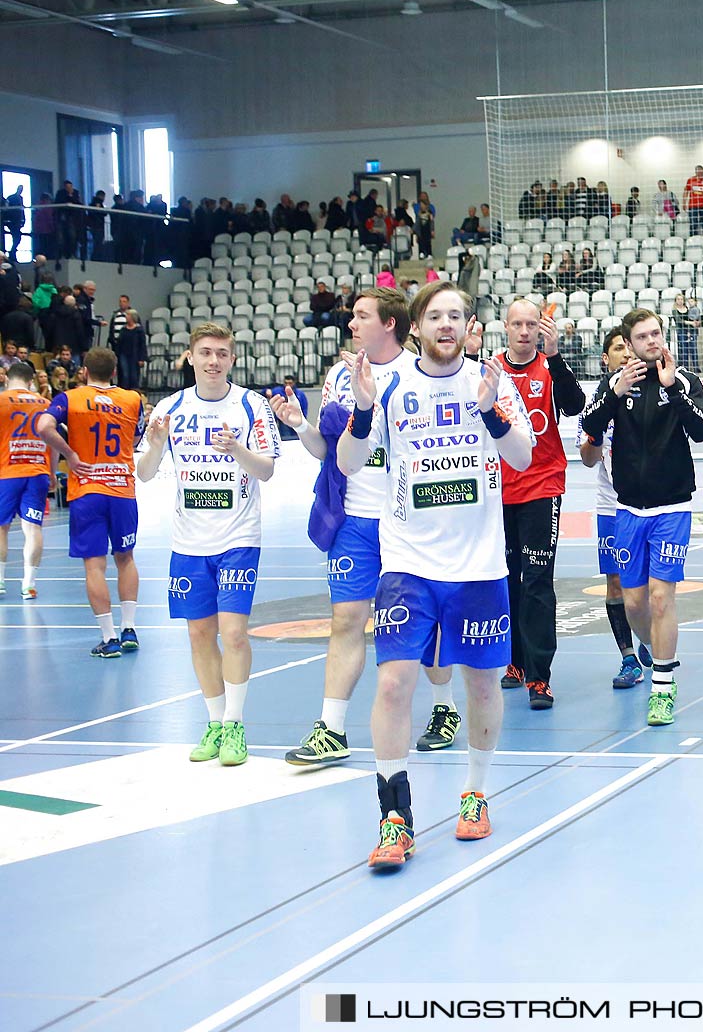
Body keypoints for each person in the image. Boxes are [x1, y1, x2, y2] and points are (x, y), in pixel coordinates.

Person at [340, 281, 535, 872]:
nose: (446, 324)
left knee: (481, 685)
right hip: (408, 563)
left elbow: (524, 457)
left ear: (469, 326)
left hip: (478, 566)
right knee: (396, 684)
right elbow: (347, 462)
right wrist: (365, 409)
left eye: (457, 315)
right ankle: (394, 816)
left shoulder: (489, 381)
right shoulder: (390, 384)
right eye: (435, 316)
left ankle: (475, 792)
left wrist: (489, 412)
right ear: (416, 326)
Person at [276, 288, 418, 768]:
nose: (351, 323)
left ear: (390, 324)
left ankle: (444, 708)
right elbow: (327, 450)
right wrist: (300, 426)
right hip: (354, 519)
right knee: (346, 621)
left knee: (419, 627)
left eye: (361, 316)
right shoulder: (339, 375)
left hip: (408, 522)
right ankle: (331, 729)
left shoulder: (416, 374)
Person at [138, 325, 279, 767]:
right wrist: (156, 443)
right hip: (188, 540)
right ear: (191, 358)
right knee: (199, 633)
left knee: (233, 632)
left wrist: (237, 449)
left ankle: (235, 724)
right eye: (205, 353)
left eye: (221, 353)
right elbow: (144, 472)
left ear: (232, 360)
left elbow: (267, 471)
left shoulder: (251, 406)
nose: (213, 361)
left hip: (238, 537)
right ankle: (214, 721)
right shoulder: (170, 408)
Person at [577, 308, 703, 727]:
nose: (652, 340)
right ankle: (655, 651)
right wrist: (615, 392)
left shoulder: (684, 380)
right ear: (630, 344)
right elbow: (589, 426)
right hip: (627, 510)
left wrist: (674, 390)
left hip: (672, 507)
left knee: (660, 598)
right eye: (642, 336)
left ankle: (663, 684)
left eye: (657, 332)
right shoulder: (615, 385)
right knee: (634, 601)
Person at [494, 299, 588, 709]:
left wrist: (557, 358)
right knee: (505, 576)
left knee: (536, 579)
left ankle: (539, 676)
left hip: (542, 485)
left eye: (531, 324)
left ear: (540, 329)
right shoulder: (490, 370)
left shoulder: (550, 367)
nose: (525, 331)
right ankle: (515, 661)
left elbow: (574, 406)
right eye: (517, 324)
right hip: (496, 488)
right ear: (507, 327)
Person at [34, 347, 144, 657]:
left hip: (87, 491)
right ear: (114, 372)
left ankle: (108, 638)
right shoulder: (132, 399)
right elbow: (136, 439)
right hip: (122, 489)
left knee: (94, 566)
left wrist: (69, 454)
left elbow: (43, 427)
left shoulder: (70, 398)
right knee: (126, 558)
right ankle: (129, 628)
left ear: (84, 371)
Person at [579, 327, 650, 686]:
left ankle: (650, 637)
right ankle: (629, 658)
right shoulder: (599, 398)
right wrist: (595, 431)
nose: (625, 353)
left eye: (629, 346)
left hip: (650, 503)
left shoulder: (654, 388)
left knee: (650, 585)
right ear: (605, 358)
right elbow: (588, 459)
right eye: (617, 348)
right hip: (611, 506)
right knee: (615, 584)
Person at [0, 361, 51, 599]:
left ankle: (0, 582)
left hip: (6, 472)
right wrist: (51, 471)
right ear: (31, 381)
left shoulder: (1, 401)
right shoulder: (45, 404)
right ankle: (28, 584)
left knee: (2, 529)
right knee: (33, 528)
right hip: (37, 471)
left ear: (6, 379)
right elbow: (55, 441)